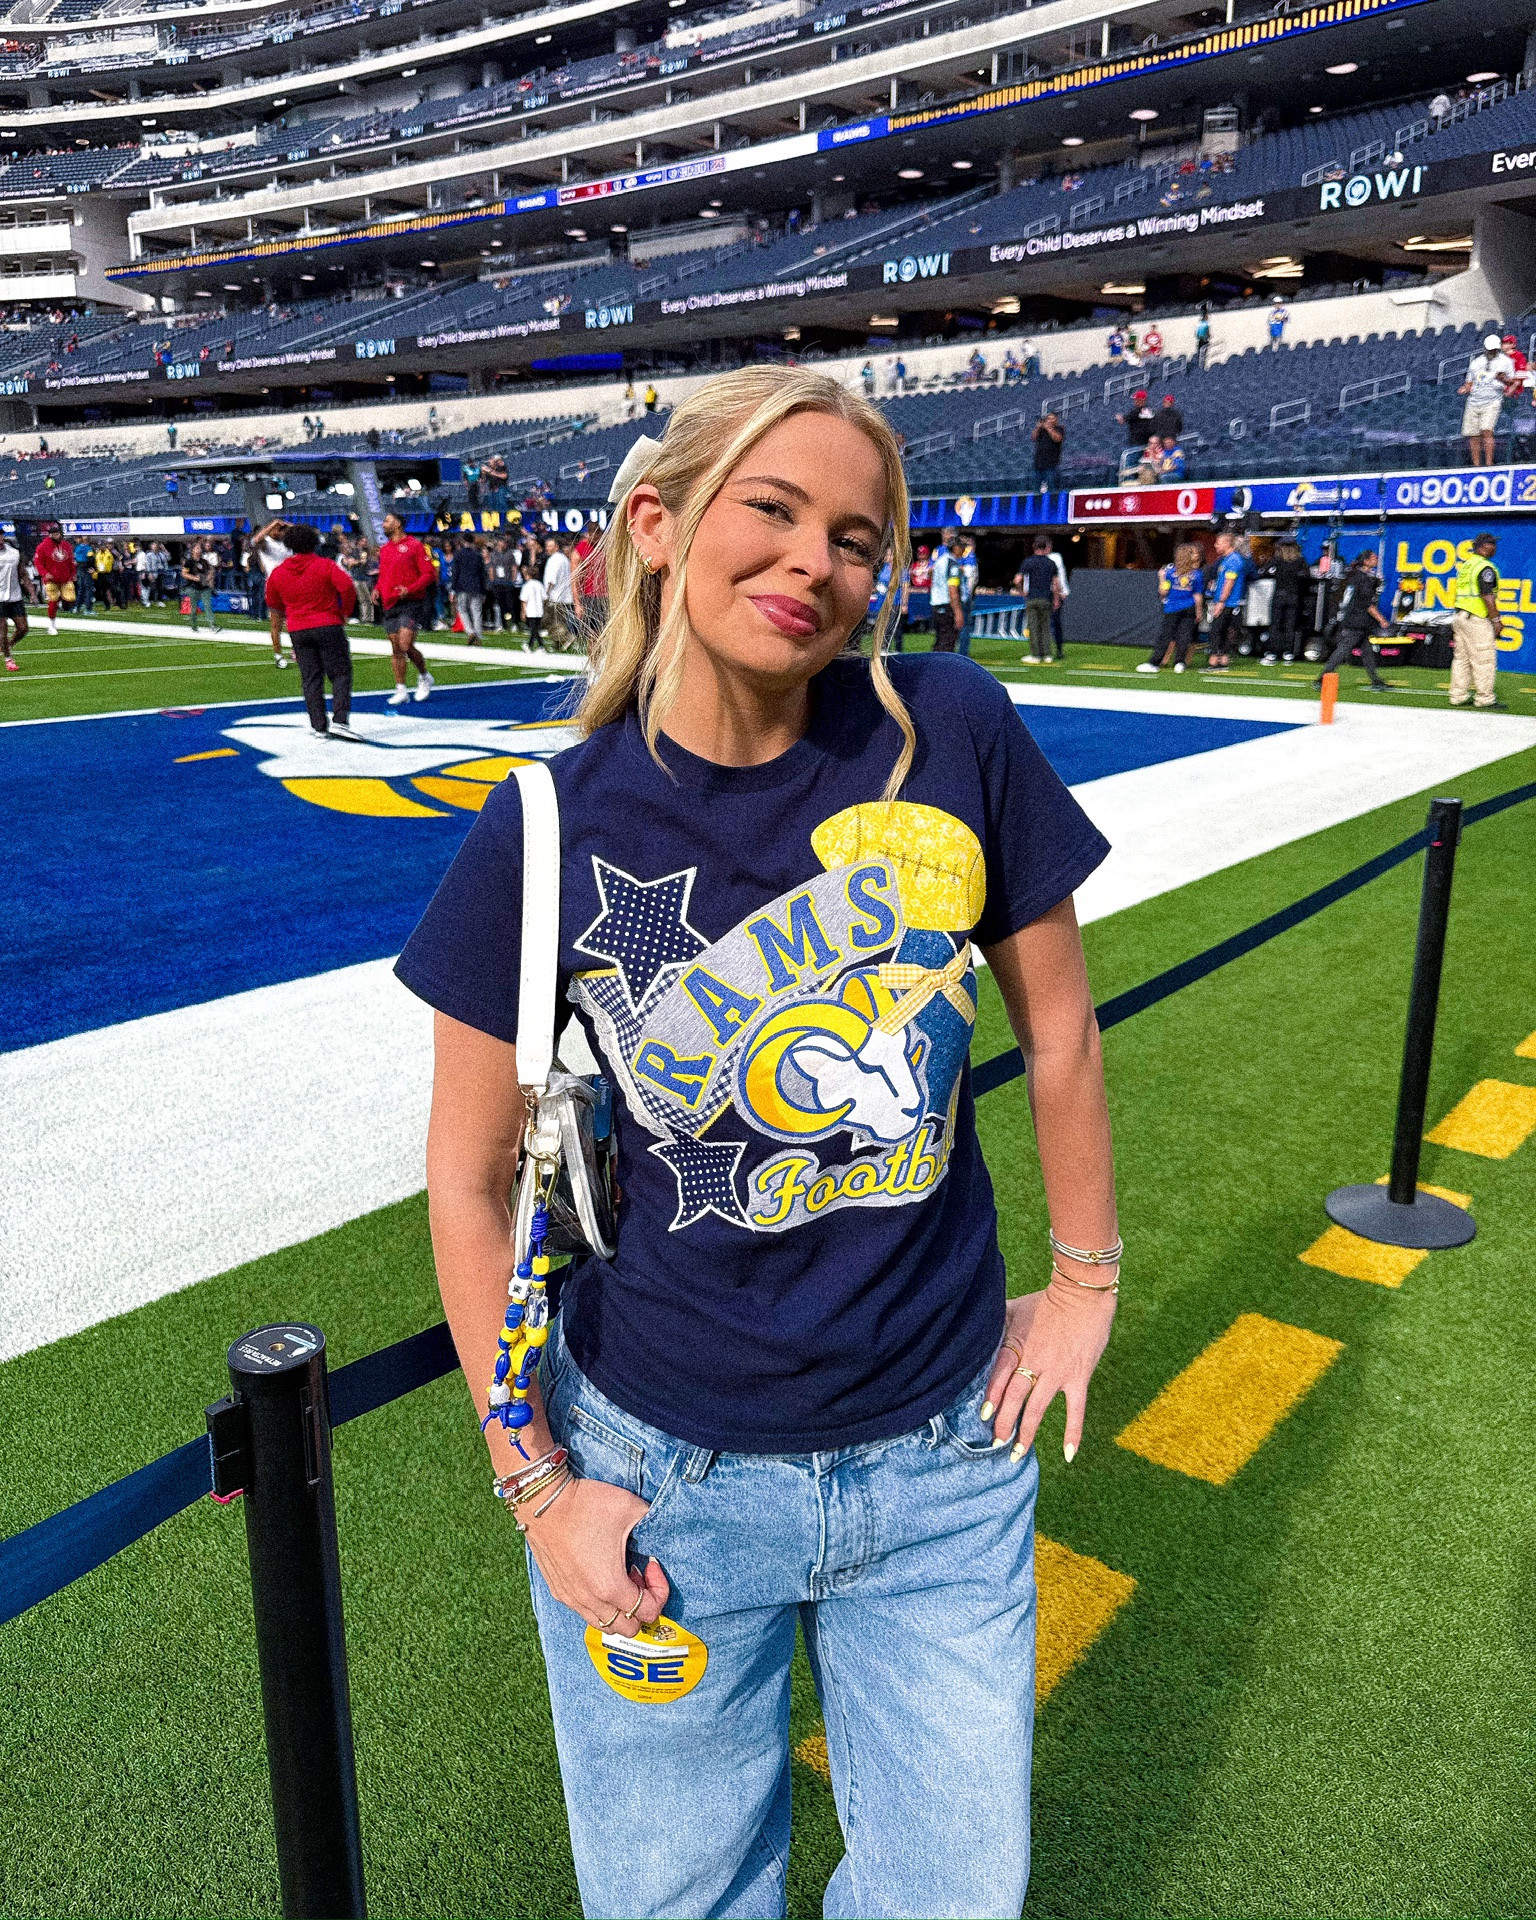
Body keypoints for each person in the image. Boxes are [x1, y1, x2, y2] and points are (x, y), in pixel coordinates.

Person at [396, 363, 1118, 1920]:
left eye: (857, 540)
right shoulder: (548, 826)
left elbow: (1060, 1028)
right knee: (677, 1900)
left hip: (942, 1461)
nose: (815, 564)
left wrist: (1085, 1282)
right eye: (774, 511)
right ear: (659, 525)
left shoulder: (949, 728)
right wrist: (536, 1486)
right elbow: (465, 1180)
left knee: (950, 1898)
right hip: (661, 1470)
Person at [263, 523, 361, 740]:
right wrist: (344, 612)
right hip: (327, 623)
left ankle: (318, 726)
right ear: (314, 543)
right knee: (340, 673)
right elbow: (347, 587)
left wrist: (291, 613)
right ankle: (340, 720)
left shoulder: (279, 571)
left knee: (310, 677)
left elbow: (272, 601)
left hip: (298, 628)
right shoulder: (325, 565)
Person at [377, 510, 435, 705]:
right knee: (396, 648)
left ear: (397, 524)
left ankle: (424, 676)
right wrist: (377, 588)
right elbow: (384, 574)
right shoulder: (385, 549)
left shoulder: (414, 546)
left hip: (410, 602)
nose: (383, 524)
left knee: (405, 644)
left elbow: (429, 574)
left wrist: (410, 589)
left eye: (387, 521)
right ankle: (401, 689)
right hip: (390, 602)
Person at [1315, 550, 1390, 690]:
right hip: (1356, 620)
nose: (1376, 559)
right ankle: (1321, 678)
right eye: (1373, 558)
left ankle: (1376, 680)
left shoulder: (1354, 576)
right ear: (1366, 561)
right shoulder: (1363, 579)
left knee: (1367, 652)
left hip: (1354, 618)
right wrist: (1382, 620)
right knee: (1343, 651)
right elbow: (1367, 604)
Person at [1449, 531, 1503, 709]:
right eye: (1491, 544)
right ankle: (1484, 698)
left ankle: (1458, 696)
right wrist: (1496, 620)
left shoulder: (1467, 565)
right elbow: (1487, 596)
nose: (1494, 548)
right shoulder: (1485, 567)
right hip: (1477, 618)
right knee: (1484, 659)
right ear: (1483, 547)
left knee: (1461, 659)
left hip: (1460, 616)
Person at [1138, 542, 1204, 673]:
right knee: (1184, 635)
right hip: (1189, 607)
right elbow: (1197, 595)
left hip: (1173, 607)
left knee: (1166, 636)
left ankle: (1154, 662)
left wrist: (1161, 578)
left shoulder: (1170, 572)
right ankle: (1179, 662)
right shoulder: (1197, 574)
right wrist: (1199, 611)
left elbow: (1163, 591)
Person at [1458, 334, 1516, 467]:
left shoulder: (1506, 361)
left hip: (1492, 400)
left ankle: (1489, 464)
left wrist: (1503, 379)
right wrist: (1465, 389)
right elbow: (1469, 382)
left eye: (1494, 350)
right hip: (1474, 401)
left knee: (1487, 430)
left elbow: (1512, 381)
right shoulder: (1476, 362)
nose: (1492, 352)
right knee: (1473, 435)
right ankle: (1476, 465)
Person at [1261, 538, 1312, 663]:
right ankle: (1288, 653)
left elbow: (1263, 572)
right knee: (1290, 625)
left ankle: (1273, 652)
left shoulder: (1277, 560)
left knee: (1275, 624)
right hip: (1294, 596)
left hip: (1279, 595)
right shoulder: (1300, 561)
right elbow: (1307, 576)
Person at [1204, 531, 1250, 670]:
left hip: (1229, 602)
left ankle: (1214, 660)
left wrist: (1221, 601)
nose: (1215, 545)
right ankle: (1223, 659)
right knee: (1223, 630)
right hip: (1227, 602)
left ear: (1227, 543)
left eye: (1218, 542)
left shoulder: (1233, 560)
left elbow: (1230, 582)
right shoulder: (1227, 559)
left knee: (1216, 630)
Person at [249, 518, 292, 665]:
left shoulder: (288, 544)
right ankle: (278, 654)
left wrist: (287, 525)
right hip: (274, 586)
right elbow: (255, 541)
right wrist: (273, 524)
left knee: (295, 619)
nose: (280, 532)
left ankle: (296, 649)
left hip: (290, 584)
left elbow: (306, 535)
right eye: (278, 530)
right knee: (276, 623)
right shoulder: (266, 544)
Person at [1015, 531, 1062, 665]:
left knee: (1033, 627)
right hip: (1046, 598)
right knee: (1045, 627)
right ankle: (1047, 654)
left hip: (1032, 598)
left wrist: (1022, 591)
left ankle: (1035, 655)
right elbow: (1056, 583)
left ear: (1034, 546)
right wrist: (1056, 599)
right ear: (1046, 547)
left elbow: (1017, 579)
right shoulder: (1051, 563)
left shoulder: (1028, 562)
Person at [32, 522, 74, 636]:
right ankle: (52, 624)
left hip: (65, 578)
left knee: (70, 598)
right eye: (54, 534)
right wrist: (45, 573)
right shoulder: (42, 547)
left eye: (58, 534)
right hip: (51, 578)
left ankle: (59, 602)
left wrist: (72, 573)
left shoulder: (66, 545)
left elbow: (70, 560)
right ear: (50, 535)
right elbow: (38, 562)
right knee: (53, 601)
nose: (56, 536)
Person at [929, 524, 963, 652]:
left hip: (935, 603)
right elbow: (952, 589)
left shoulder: (939, 561)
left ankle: (933, 662)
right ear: (955, 548)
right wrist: (958, 612)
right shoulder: (952, 564)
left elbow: (930, 574)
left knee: (939, 640)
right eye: (961, 548)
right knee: (948, 642)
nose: (963, 551)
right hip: (946, 604)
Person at [451, 532, 488, 644]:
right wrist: (483, 590)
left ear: (463, 541)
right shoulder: (478, 555)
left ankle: (470, 631)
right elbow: (482, 574)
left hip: (462, 586)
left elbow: (455, 572)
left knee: (462, 609)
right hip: (476, 586)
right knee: (476, 611)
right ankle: (478, 635)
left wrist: (453, 589)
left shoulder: (458, 554)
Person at [543, 533, 575, 649]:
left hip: (555, 595)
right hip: (565, 596)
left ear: (556, 547)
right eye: (547, 545)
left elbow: (551, 579)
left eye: (550, 546)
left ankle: (566, 637)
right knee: (560, 620)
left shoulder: (554, 560)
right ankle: (558, 643)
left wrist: (546, 594)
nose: (547, 548)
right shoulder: (564, 559)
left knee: (551, 621)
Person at [0, 527, 26, 671]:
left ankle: (7, 646)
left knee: (23, 628)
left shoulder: (14, 552)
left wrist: (32, 593)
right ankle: (8, 659)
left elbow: (22, 573)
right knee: (2, 630)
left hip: (15, 596)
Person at [181, 539, 215, 633]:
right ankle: (194, 625)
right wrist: (194, 578)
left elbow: (210, 571)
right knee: (194, 607)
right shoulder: (189, 562)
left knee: (207, 605)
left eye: (200, 548)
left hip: (204, 587)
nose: (199, 550)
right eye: (197, 548)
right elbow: (184, 573)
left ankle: (212, 624)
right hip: (193, 587)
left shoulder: (204, 561)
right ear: (192, 550)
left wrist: (209, 578)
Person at [1032, 410, 1063, 492]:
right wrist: (1038, 427)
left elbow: (1057, 439)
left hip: (1051, 464)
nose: (1050, 420)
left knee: (1052, 487)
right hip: (1038, 462)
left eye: (1052, 418)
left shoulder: (1059, 429)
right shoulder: (1041, 430)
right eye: (1049, 418)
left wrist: (1049, 429)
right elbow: (1033, 438)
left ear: (1056, 420)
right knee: (1036, 487)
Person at [519, 562, 546, 649]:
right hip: (539, 610)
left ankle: (538, 646)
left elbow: (524, 600)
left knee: (534, 629)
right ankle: (533, 645)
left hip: (530, 610)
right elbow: (544, 597)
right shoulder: (540, 585)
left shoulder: (526, 586)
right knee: (535, 629)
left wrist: (523, 612)